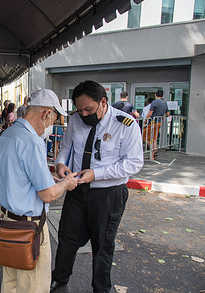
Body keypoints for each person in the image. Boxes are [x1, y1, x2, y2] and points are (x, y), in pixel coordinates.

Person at [50, 80, 144, 292]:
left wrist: (97, 174)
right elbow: (65, 146)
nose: (83, 114)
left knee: (103, 244)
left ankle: (101, 288)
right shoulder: (75, 120)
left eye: (88, 109)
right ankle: (60, 277)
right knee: (67, 237)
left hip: (108, 195)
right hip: (77, 189)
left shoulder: (125, 124)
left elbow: (134, 163)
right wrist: (60, 164)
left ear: (103, 102)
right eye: (79, 109)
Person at [0, 88, 79, 293]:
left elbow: (18, 174)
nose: (52, 126)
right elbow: (47, 194)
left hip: (5, 221)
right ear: (45, 113)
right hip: (28, 228)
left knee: (11, 282)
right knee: (33, 285)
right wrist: (66, 183)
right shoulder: (32, 142)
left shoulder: (7, 133)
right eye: (54, 119)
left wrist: (50, 179)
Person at [144, 90, 169, 160]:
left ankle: (154, 150)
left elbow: (149, 114)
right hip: (159, 122)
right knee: (154, 138)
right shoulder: (164, 103)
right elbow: (168, 114)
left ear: (155, 95)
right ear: (163, 95)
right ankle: (152, 155)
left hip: (152, 123)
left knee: (143, 137)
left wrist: (145, 121)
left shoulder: (154, 102)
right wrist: (162, 115)